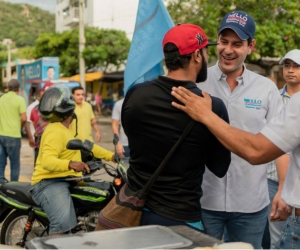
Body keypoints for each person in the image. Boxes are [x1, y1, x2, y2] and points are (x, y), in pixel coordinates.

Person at [118, 24, 231, 231]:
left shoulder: (135, 94)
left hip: (133, 214)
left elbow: (133, 137)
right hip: (182, 220)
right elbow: (220, 167)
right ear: (197, 55)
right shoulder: (211, 106)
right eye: (206, 52)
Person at [194, 10, 283, 249]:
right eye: (224, 42)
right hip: (204, 199)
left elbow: (281, 144)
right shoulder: (197, 82)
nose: (228, 50)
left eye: (237, 44)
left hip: (251, 204)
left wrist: (283, 188)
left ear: (250, 46)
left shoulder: (266, 88)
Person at [30, 86, 115, 236]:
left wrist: (113, 156)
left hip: (66, 179)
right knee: (62, 224)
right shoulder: (54, 131)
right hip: (48, 182)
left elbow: (87, 145)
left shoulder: (68, 128)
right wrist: (70, 164)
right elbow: (47, 162)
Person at [263, 49, 300, 248]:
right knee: (276, 237)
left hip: (295, 185)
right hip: (271, 179)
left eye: (296, 66)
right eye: (287, 65)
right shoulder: (274, 98)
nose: (290, 70)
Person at [0, 79, 34, 181]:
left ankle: (1, 186)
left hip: (1, 135)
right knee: (14, 164)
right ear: (18, 89)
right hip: (14, 136)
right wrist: (21, 126)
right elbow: (24, 118)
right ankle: (13, 187)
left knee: (1, 162)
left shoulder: (1, 99)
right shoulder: (20, 100)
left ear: (8, 88)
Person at [30, 82, 53, 163]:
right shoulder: (34, 109)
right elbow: (34, 125)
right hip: (42, 142)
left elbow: (34, 125)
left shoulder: (35, 109)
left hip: (45, 142)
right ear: (38, 97)